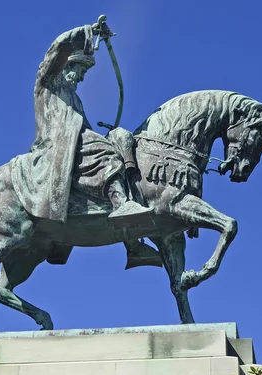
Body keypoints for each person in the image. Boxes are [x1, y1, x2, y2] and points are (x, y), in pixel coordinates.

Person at [11, 23, 162, 269]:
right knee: (104, 151)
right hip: (55, 147)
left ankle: (133, 239)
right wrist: (88, 32)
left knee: (120, 138)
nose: (81, 77)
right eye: (80, 70)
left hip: (77, 144)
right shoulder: (47, 84)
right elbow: (56, 49)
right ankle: (120, 204)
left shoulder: (75, 99)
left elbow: (85, 128)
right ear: (67, 64)